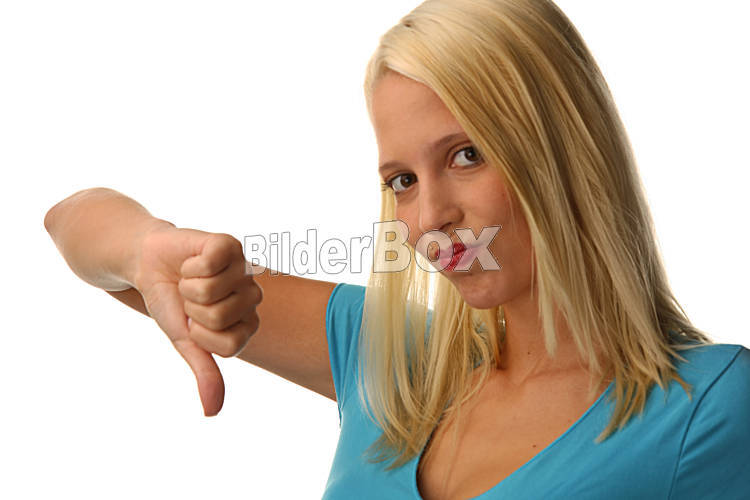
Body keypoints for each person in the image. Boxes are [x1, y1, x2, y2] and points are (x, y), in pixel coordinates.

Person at [44, 0, 749, 499]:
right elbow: (69, 220)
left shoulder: (708, 409)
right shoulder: (391, 358)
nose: (431, 217)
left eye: (467, 154)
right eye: (402, 181)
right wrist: (151, 248)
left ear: (563, 145)